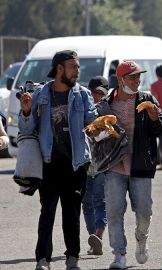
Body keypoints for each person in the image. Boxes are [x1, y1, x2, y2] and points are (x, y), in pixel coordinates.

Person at [19, 50, 97, 270]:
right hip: (48, 163)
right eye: (73, 66)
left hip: (75, 164)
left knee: (71, 214)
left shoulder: (82, 94)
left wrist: (101, 125)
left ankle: (72, 258)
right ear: (60, 68)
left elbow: (91, 122)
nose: (77, 71)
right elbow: (26, 129)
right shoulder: (41, 95)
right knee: (48, 212)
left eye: (78, 67)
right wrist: (26, 112)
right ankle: (43, 259)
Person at [98, 60, 162, 269]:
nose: (137, 81)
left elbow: (161, 130)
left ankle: (141, 239)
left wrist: (156, 119)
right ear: (120, 79)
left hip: (140, 165)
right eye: (132, 77)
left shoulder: (147, 99)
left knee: (144, 211)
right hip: (114, 166)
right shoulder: (106, 103)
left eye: (138, 77)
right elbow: (96, 133)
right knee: (114, 211)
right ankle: (119, 254)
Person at [82, 76, 109, 256]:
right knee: (86, 203)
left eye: (101, 94)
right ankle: (94, 239)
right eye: (94, 93)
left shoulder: (109, 110)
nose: (97, 97)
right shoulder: (82, 107)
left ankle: (98, 235)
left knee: (100, 201)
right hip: (84, 163)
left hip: (102, 163)